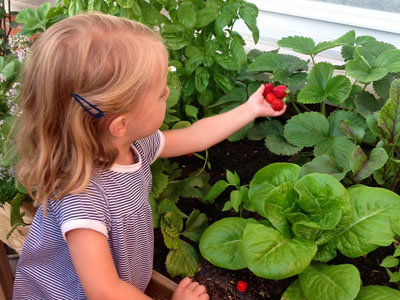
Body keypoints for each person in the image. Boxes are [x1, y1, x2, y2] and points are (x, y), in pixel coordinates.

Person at [12, 12, 286, 300]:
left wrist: (250, 109)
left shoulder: (133, 146)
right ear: (120, 124)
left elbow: (195, 136)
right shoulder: (82, 197)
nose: (168, 91)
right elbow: (105, 292)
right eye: (159, 94)